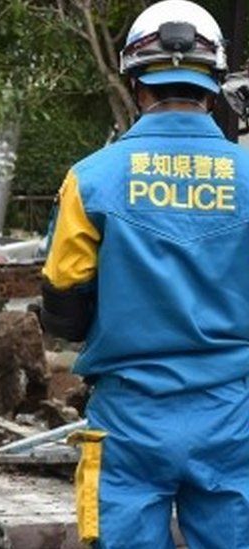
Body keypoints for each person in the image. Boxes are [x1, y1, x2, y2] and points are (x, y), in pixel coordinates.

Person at [40, 1, 249, 547]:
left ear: (137, 85)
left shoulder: (90, 180)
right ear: (213, 87)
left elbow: (62, 308)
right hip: (234, 415)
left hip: (128, 418)